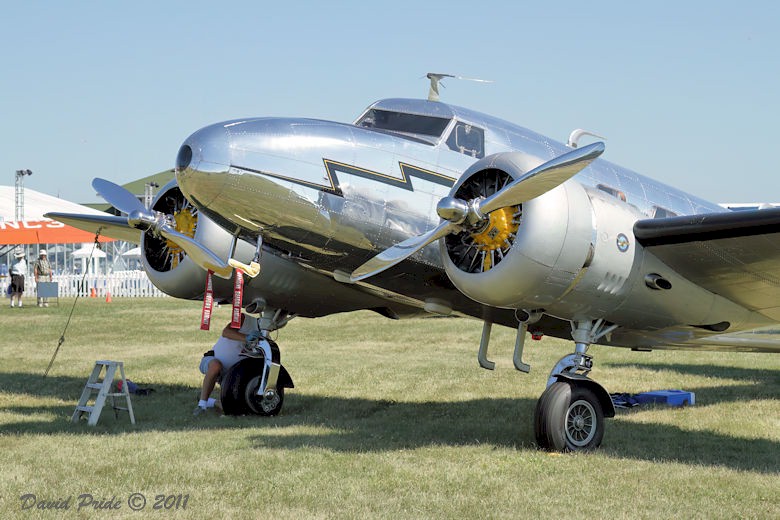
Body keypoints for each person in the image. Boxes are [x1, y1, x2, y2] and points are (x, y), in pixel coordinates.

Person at [194, 313, 260, 416]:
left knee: (235, 409)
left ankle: (212, 402)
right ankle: (201, 405)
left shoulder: (265, 336)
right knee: (216, 366)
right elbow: (226, 332)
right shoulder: (245, 319)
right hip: (212, 359)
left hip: (232, 374)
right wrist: (246, 338)